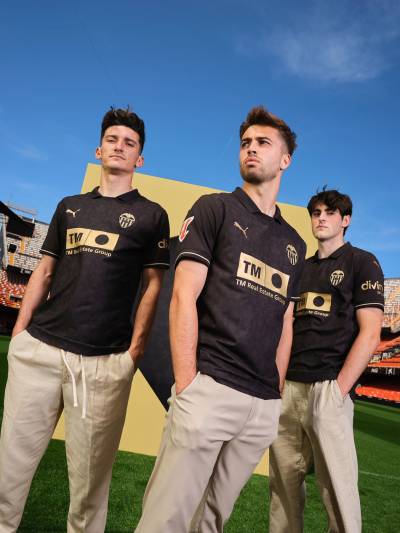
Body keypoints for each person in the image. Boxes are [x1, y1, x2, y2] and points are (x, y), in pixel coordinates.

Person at [135, 106, 306, 533]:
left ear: (285, 159)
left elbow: (286, 321)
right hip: (209, 390)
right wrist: (187, 384)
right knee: (164, 520)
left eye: (263, 143)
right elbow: (183, 296)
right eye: (246, 143)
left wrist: (275, 390)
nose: (251, 149)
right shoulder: (214, 209)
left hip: (261, 404)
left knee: (211, 522)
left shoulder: (295, 244)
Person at [0, 107, 170, 533]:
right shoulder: (69, 206)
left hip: (102, 364)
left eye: (129, 143)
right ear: (98, 150)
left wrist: (134, 353)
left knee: (89, 492)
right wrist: (20, 332)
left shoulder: (152, 215)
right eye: (112, 139)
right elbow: (44, 271)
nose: (119, 147)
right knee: (8, 471)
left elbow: (153, 286)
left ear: (140, 159)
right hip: (40, 349)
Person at [269, 189, 384, 533]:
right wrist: (279, 382)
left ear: (345, 220)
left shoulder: (362, 261)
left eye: (330, 213)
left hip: (329, 387)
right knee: (283, 487)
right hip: (290, 387)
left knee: (338, 490)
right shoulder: (300, 268)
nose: (321, 218)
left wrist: (339, 390)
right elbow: (286, 326)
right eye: (316, 212)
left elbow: (370, 332)